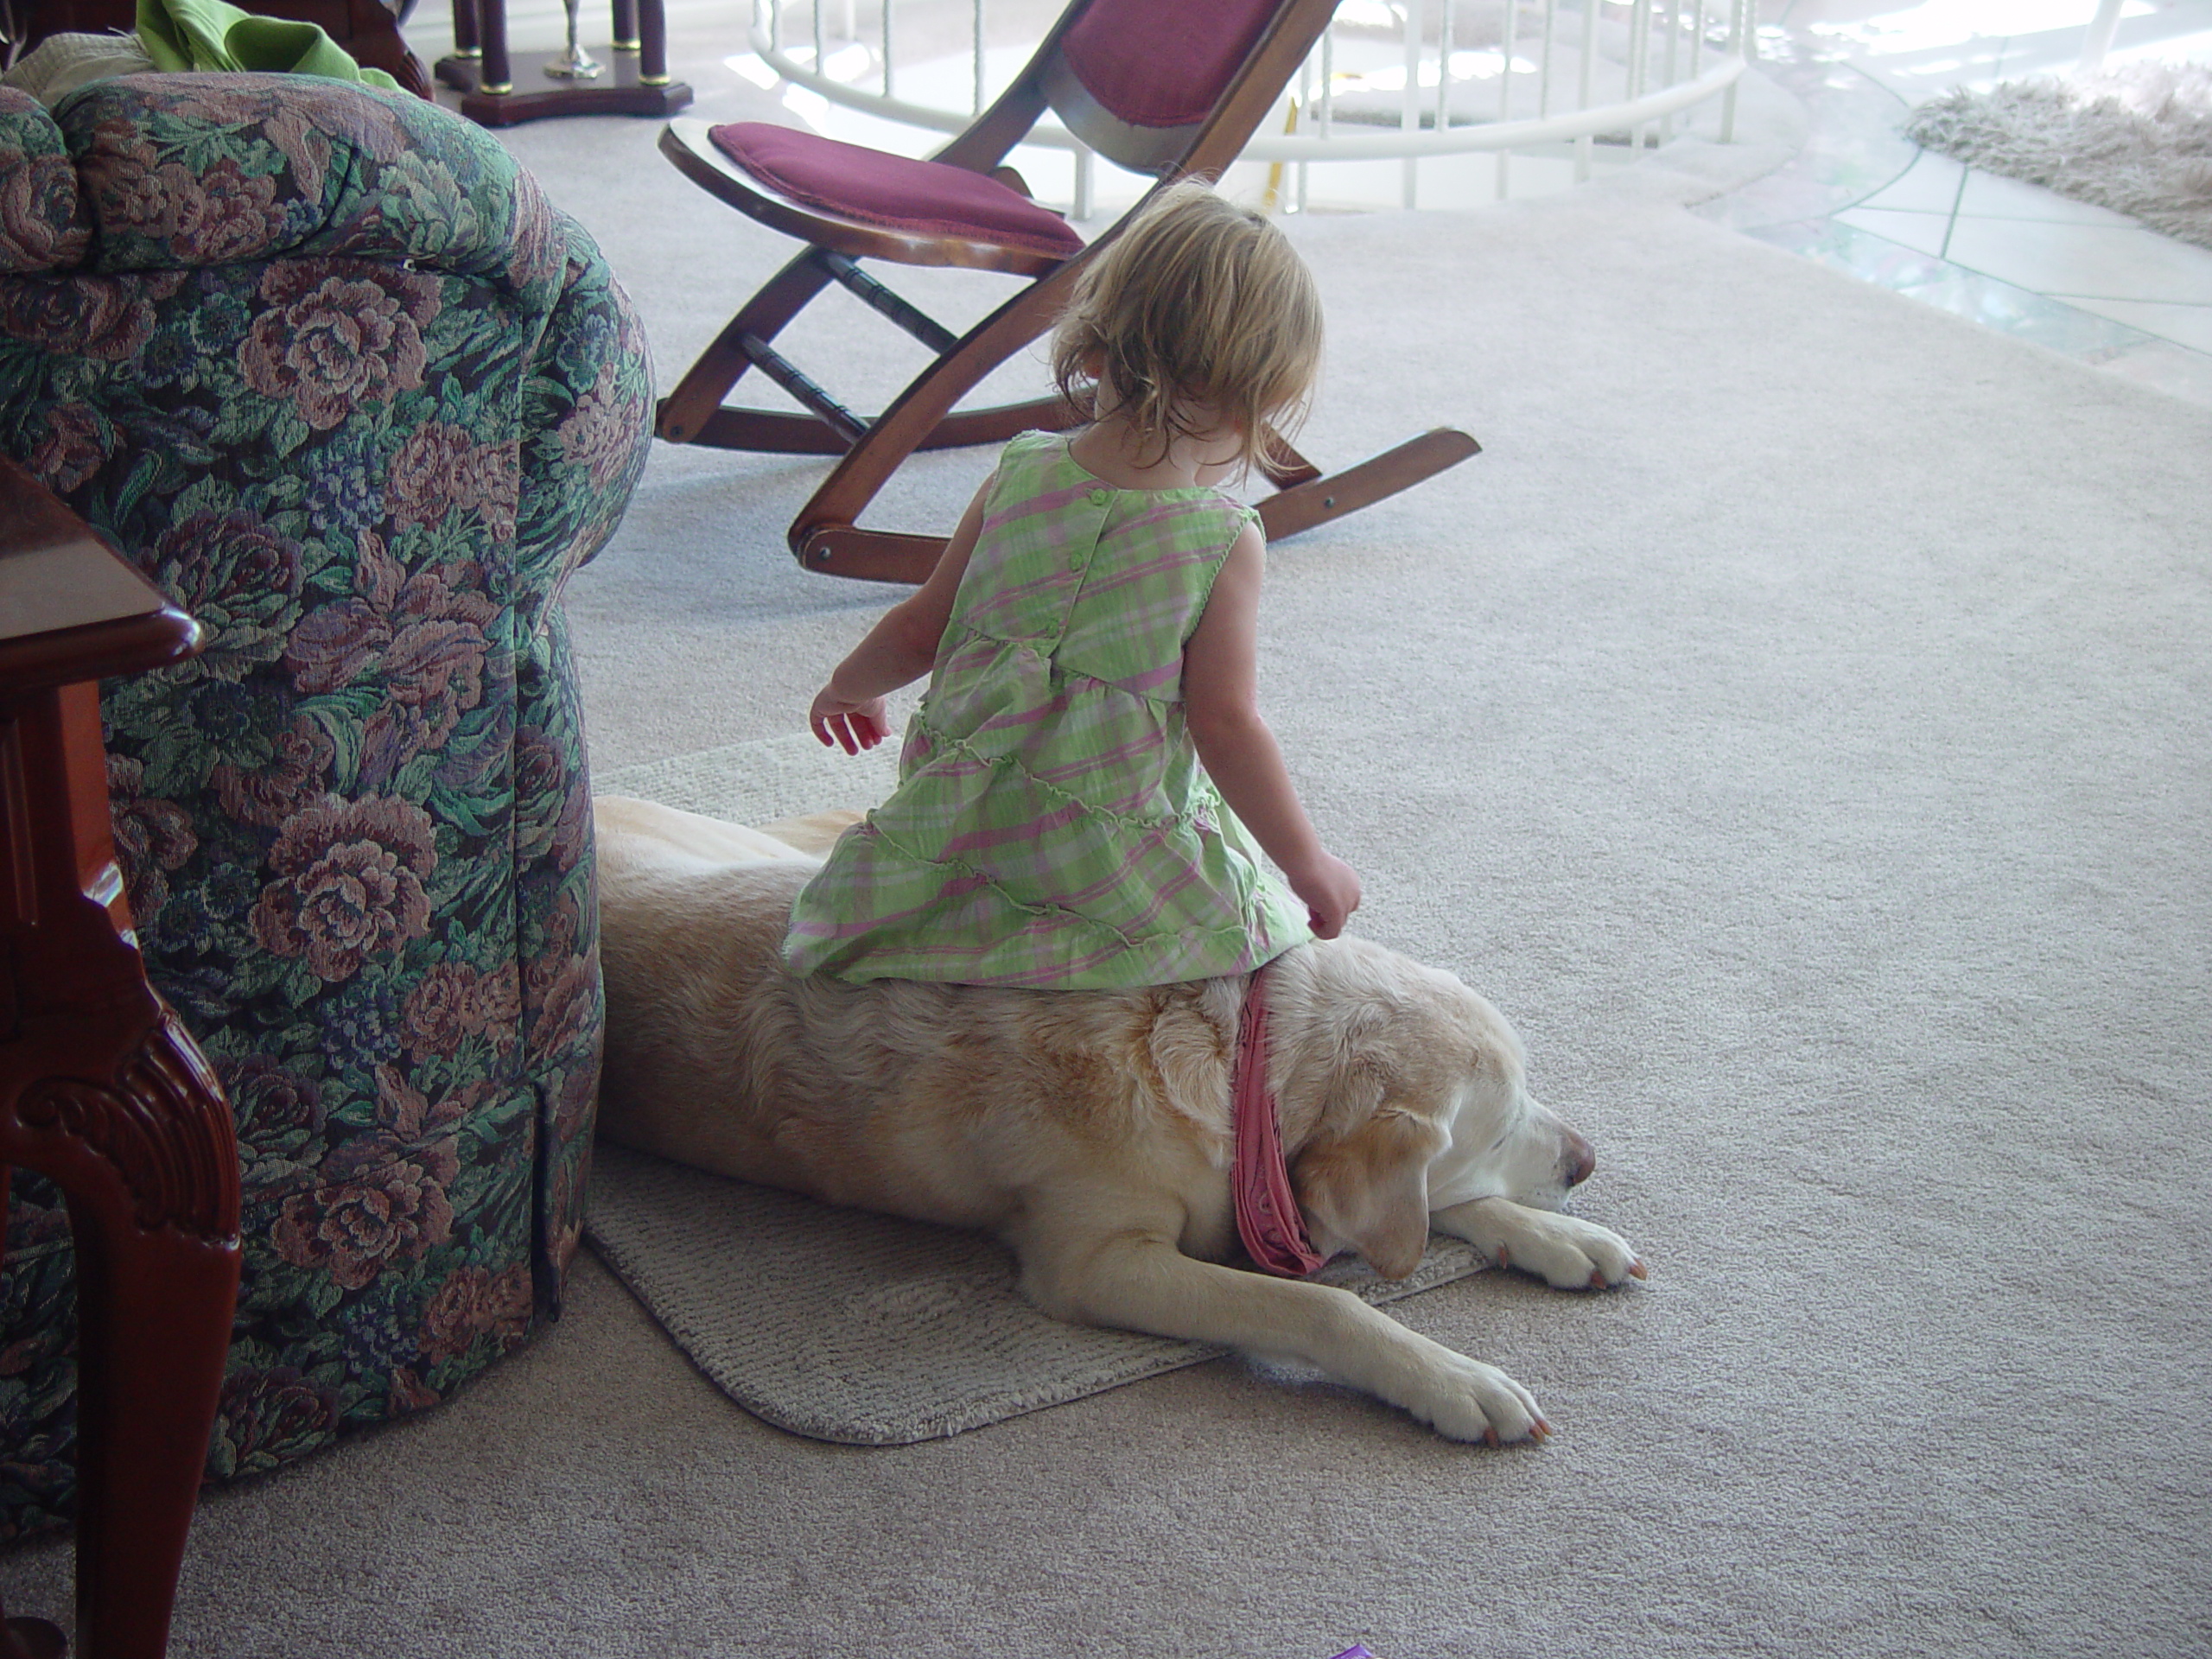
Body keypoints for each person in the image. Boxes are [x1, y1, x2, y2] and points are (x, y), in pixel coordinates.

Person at [783, 179, 1360, 989]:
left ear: (1091, 353)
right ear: (1254, 403)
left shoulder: (1020, 470)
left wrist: (848, 687)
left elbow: (923, 626)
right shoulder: (1221, 538)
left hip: (966, 832)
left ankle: (966, 919)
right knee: (1245, 925)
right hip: (1104, 870)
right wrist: (1308, 862)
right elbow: (1226, 725)